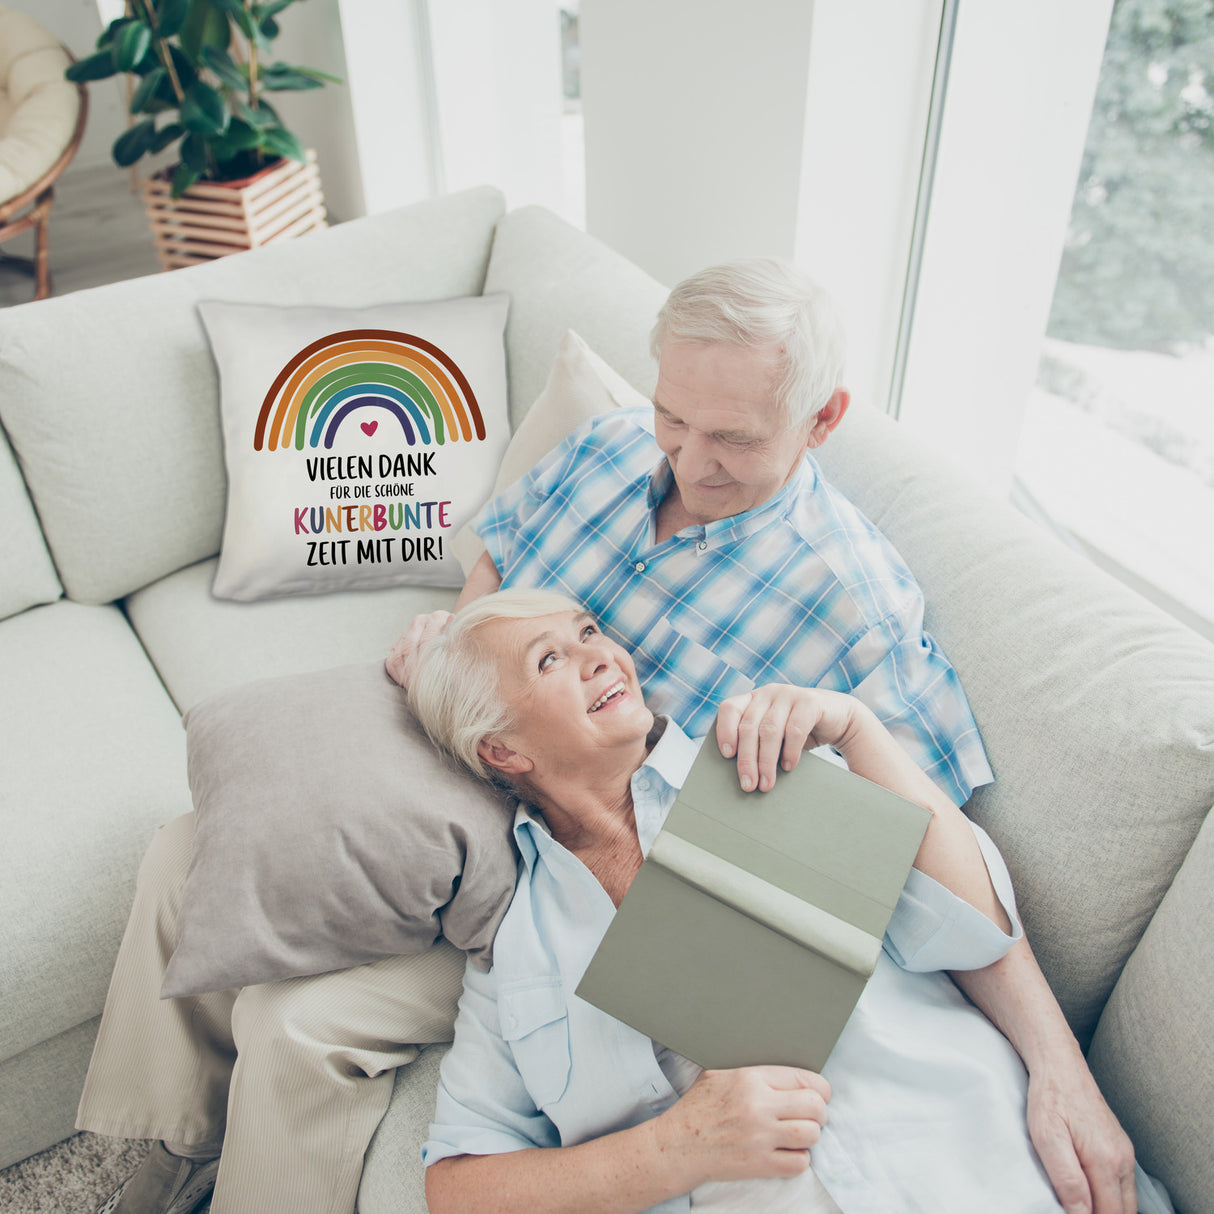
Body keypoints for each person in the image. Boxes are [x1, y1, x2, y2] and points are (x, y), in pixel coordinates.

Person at [389, 259, 1136, 1213]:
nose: (689, 463)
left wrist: (1058, 1069)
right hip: (492, 835)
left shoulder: (829, 663)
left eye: (732, 438)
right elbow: (502, 550)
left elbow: (945, 887)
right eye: (674, 418)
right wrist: (462, 657)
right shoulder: (608, 450)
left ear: (822, 420)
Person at [407, 588, 1159, 1214]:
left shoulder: (762, 761)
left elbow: (972, 928)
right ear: (502, 750)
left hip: (986, 1166)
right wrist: (675, 1149)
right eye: (550, 659)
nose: (601, 655)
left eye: (589, 632)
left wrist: (858, 730)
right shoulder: (517, 952)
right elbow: (458, 1187)